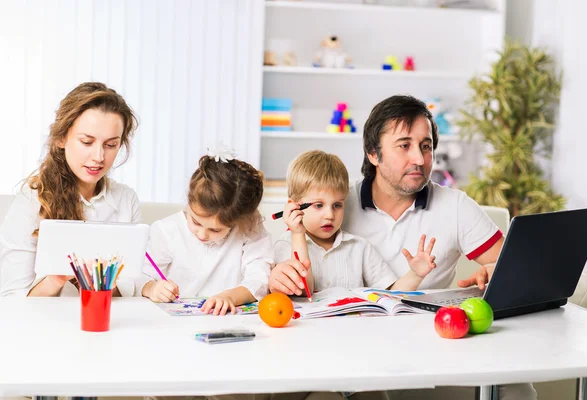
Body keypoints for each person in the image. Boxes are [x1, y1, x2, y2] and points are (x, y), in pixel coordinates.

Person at [269, 95, 536, 400]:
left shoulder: (455, 206)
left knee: (516, 388)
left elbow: (509, 269)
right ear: (373, 153)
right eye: (404, 145)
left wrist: (491, 273)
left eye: (426, 146)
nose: (420, 159)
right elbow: (297, 256)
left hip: (432, 345)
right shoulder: (338, 203)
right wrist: (278, 274)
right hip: (357, 347)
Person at [0, 82, 141, 297]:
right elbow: (13, 298)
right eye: (86, 142)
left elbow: (133, 292)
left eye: (111, 145)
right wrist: (56, 279)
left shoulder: (126, 199)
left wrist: (106, 284)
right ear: (61, 138)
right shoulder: (32, 201)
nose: (99, 157)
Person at [273, 150, 437, 297]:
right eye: (318, 205)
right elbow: (303, 290)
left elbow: (390, 294)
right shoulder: (287, 243)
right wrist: (298, 234)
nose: (330, 215)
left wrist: (416, 274)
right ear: (294, 206)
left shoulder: (359, 247)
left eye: (337, 205)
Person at [136, 150, 272, 315]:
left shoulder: (248, 229)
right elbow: (139, 275)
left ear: (237, 222)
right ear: (188, 202)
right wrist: (151, 288)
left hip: (230, 323)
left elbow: (259, 279)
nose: (201, 235)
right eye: (195, 221)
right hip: (174, 328)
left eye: (215, 230)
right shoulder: (166, 231)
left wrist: (231, 296)